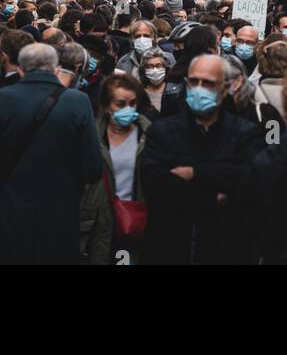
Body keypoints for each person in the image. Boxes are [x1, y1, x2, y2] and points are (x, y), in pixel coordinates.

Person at [0, 42, 102, 265]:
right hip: (61, 210)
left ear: (21, 69)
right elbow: (93, 167)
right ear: (56, 69)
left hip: (11, 208)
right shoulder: (77, 101)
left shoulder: (0, 99)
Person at [139, 52, 264, 265]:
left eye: (207, 83)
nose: (199, 88)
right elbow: (155, 186)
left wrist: (194, 173)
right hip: (170, 246)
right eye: (194, 82)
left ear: (225, 89)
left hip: (225, 247)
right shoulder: (162, 132)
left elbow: (250, 182)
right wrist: (213, 194)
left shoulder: (245, 133)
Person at [81, 72, 151, 265]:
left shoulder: (148, 135)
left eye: (132, 103)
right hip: (97, 220)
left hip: (132, 219)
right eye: (120, 104)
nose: (127, 109)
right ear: (106, 106)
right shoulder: (91, 137)